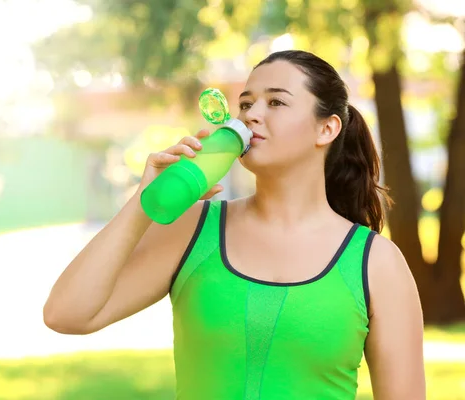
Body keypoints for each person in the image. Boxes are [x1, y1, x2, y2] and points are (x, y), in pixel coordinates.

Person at [43, 50, 426, 399]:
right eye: (246, 103)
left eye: (275, 101)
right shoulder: (194, 231)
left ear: (326, 129)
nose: (251, 114)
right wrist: (144, 204)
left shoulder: (376, 263)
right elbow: (67, 314)